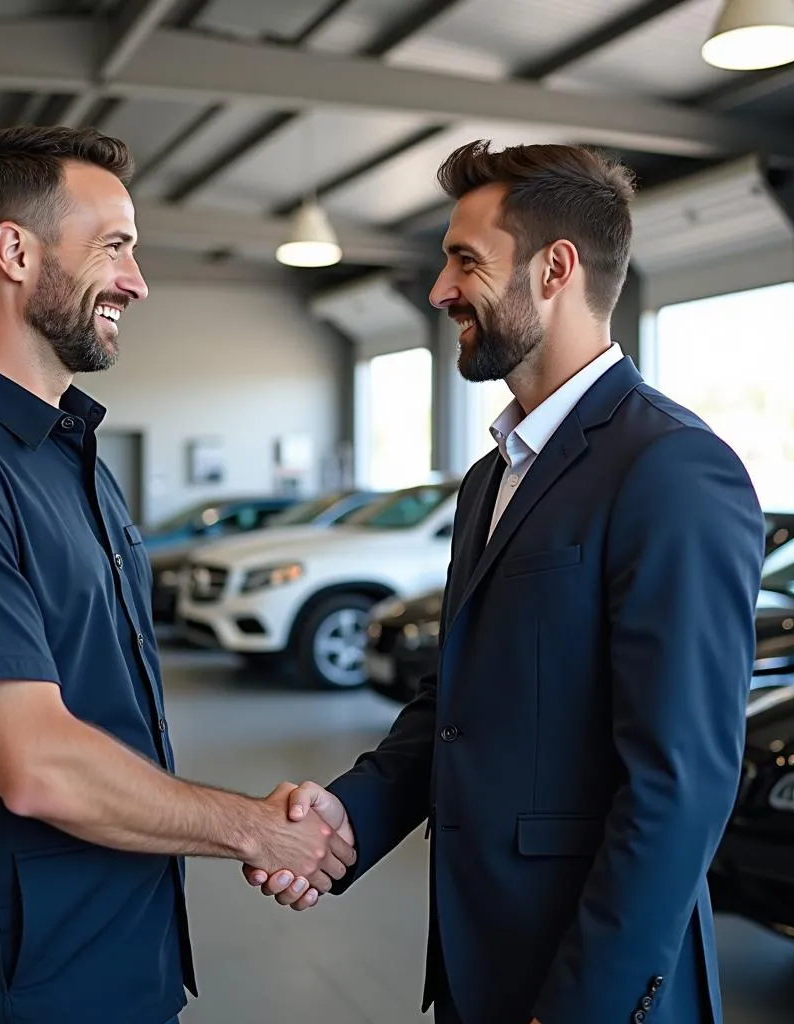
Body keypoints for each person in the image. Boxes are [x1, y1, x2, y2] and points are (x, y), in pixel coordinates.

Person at [0, 124, 354, 1024]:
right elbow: (36, 764)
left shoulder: (71, 456)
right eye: (114, 246)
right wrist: (254, 827)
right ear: (14, 251)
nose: (137, 280)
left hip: (126, 960)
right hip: (26, 991)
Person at [248, 140, 765, 1024]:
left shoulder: (673, 470)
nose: (439, 291)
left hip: (588, 987)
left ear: (556, 268)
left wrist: (580, 1009)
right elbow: (458, 701)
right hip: (481, 965)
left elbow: (679, 789)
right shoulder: (495, 475)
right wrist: (345, 819)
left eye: (464, 260)